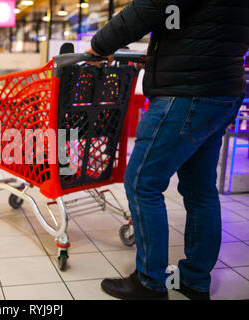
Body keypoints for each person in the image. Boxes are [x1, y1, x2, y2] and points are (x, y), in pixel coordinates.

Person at [86, 0, 248, 300]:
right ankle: (195, 281)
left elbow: (148, 8)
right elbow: (204, 29)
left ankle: (149, 283)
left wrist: (99, 46)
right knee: (200, 190)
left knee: (142, 183)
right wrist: (161, 57)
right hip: (223, 90)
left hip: (186, 94)